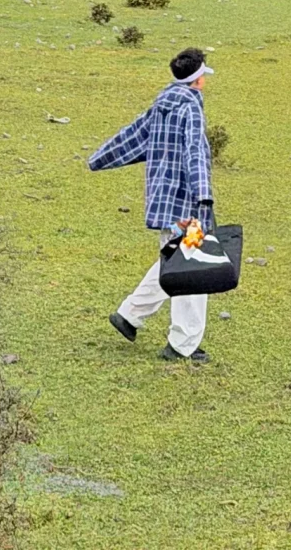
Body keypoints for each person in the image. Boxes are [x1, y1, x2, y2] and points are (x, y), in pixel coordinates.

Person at [88, 46, 216, 363]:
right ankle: (182, 344)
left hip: (163, 200)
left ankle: (130, 315)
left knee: (175, 261)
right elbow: (194, 153)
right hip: (189, 203)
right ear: (197, 80)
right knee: (192, 269)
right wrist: (204, 195)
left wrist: (98, 159)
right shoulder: (190, 109)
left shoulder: (160, 105)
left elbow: (131, 138)